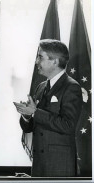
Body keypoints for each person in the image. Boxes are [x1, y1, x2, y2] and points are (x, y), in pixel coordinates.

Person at [14, 39, 83, 177]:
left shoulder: (71, 87)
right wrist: (27, 116)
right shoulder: (41, 87)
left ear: (55, 61)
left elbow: (68, 125)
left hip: (60, 166)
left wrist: (35, 112)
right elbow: (30, 128)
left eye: (40, 57)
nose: (36, 62)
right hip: (40, 166)